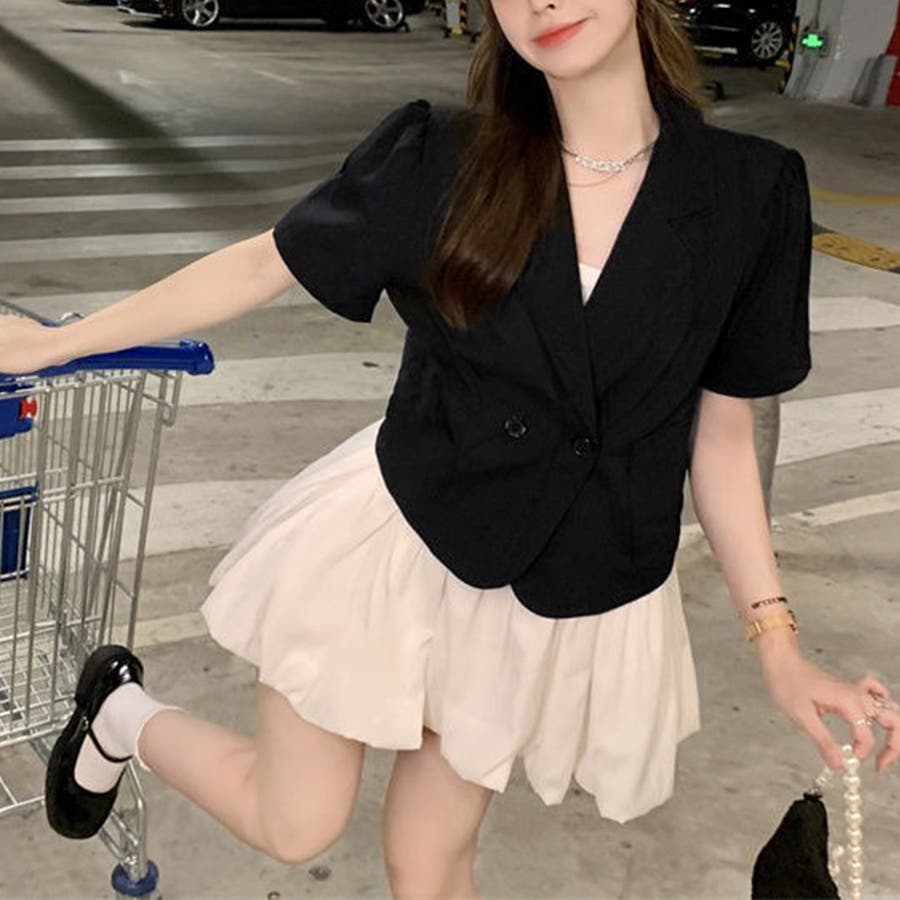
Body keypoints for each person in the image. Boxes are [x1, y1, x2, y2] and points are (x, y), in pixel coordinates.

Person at [2, 0, 898, 896]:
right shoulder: (442, 158)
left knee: (429, 859)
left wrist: (778, 646)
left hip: (551, 595)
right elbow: (265, 262)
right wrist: (57, 343)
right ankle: (120, 712)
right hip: (400, 548)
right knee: (295, 820)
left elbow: (724, 434)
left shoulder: (750, 193)